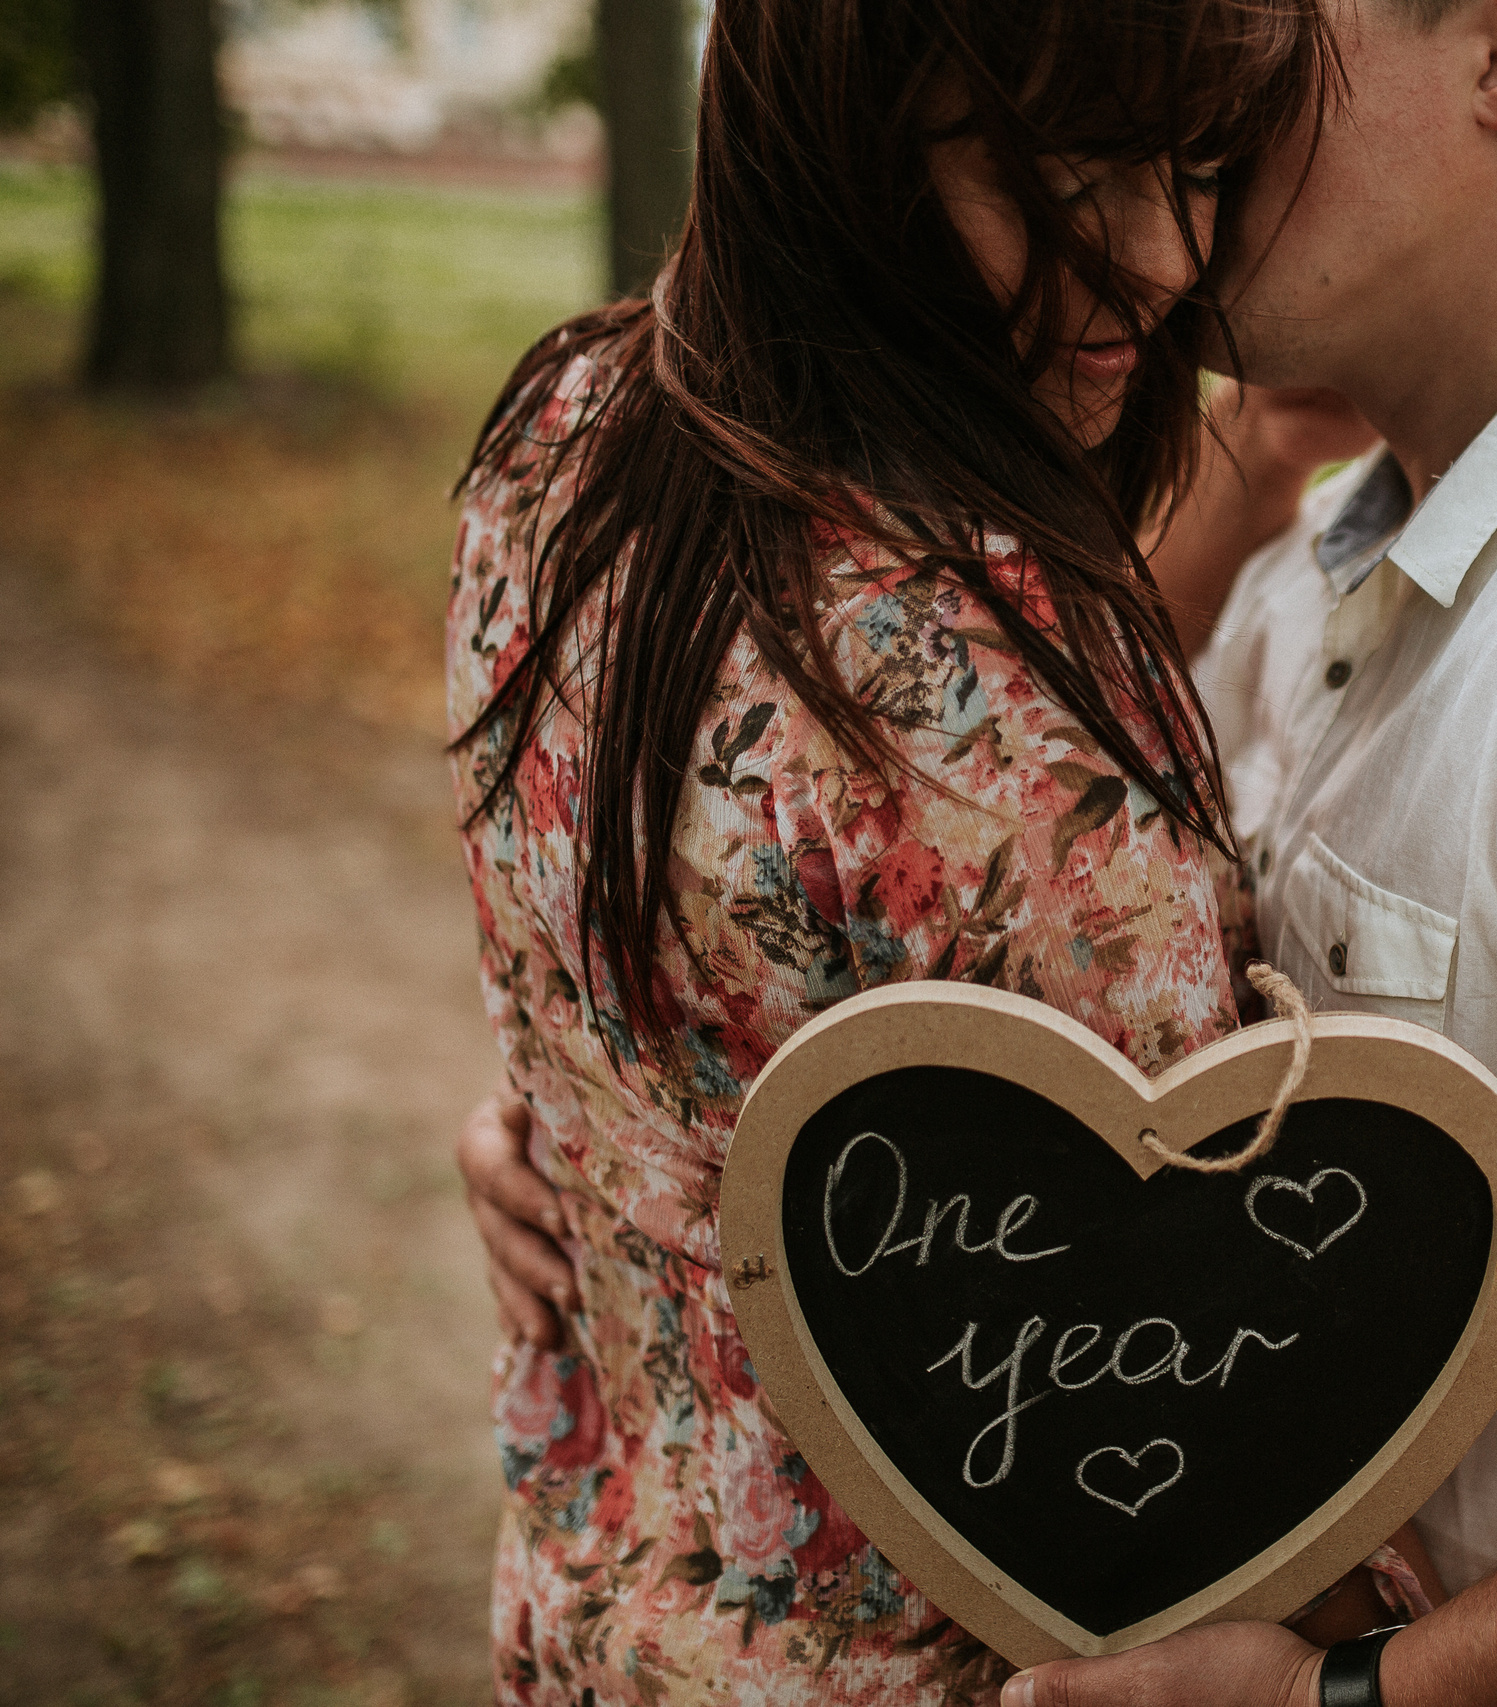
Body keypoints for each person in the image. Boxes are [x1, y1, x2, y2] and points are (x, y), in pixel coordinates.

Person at [470, 1, 1497, 1704]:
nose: (1209, 86)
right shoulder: (1338, 555)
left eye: (1261, 38)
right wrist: (628, 1095)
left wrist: (1355, 1701)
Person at [440, 0, 1438, 1699]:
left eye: (1193, 169)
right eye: (1068, 174)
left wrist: (595, 1138)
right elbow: (1204, 1378)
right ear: (844, 122)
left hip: (607, 1598)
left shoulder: (573, 431)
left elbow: (830, 841)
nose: (1159, 259)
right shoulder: (1021, 762)